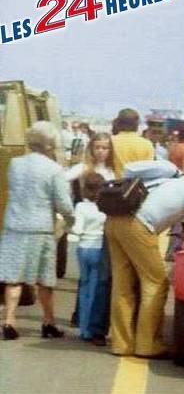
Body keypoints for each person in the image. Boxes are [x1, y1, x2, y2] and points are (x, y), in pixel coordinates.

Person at [105, 165, 184, 358]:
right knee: (156, 282)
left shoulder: (174, 183)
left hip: (115, 221)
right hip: (139, 227)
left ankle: (122, 344)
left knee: (123, 285)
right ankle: (147, 345)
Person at [0, 121, 75, 340]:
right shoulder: (54, 170)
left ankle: (9, 320)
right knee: (44, 280)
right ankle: (49, 322)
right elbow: (63, 203)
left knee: (13, 278)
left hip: (15, 225)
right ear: (50, 144)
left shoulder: (15, 164)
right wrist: (70, 219)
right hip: (39, 229)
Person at [66, 131, 116, 324]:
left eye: (105, 147)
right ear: (91, 148)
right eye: (98, 147)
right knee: (88, 278)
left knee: (98, 278)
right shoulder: (83, 168)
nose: (102, 151)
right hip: (89, 228)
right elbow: (63, 178)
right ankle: (81, 314)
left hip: (106, 226)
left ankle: (88, 315)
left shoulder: (113, 170)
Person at [69, 173, 110, 346]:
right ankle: (93, 329)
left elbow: (76, 229)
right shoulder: (106, 208)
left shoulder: (80, 206)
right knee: (97, 289)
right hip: (99, 248)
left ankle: (84, 329)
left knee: (85, 288)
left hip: (83, 248)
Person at [110, 108, 155, 177]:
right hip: (137, 185)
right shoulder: (147, 144)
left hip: (115, 184)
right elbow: (148, 170)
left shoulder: (110, 142)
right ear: (137, 125)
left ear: (118, 123)